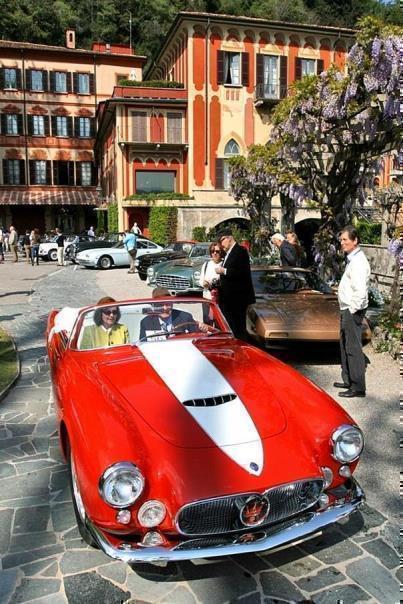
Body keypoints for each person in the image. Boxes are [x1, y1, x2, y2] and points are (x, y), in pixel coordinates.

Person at [334, 225, 370, 398]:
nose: (342, 243)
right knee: (344, 344)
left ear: (355, 241)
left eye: (345, 240)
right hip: (346, 308)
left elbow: (360, 291)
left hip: (352, 309)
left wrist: (352, 310)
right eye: (341, 240)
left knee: (352, 347)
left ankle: (358, 387)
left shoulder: (359, 261)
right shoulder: (352, 259)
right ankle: (348, 379)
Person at [214, 230, 255, 340]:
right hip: (227, 299)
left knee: (237, 329)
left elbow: (242, 273)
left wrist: (224, 271)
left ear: (229, 238)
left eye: (222, 240)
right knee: (229, 327)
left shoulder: (240, 251)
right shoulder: (228, 253)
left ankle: (240, 349)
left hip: (237, 299)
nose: (220, 244)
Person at [139, 287, 209, 340]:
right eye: (160, 305)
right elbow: (142, 346)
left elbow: (197, 339)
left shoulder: (185, 317)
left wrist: (202, 330)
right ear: (154, 306)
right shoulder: (146, 322)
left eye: (168, 304)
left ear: (172, 303)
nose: (165, 308)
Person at [198, 242, 223, 323]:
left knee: (219, 323)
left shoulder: (224, 264)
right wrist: (204, 283)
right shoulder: (206, 264)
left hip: (219, 300)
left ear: (221, 252)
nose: (214, 253)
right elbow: (200, 281)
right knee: (207, 322)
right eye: (212, 251)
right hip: (206, 299)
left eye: (217, 251)